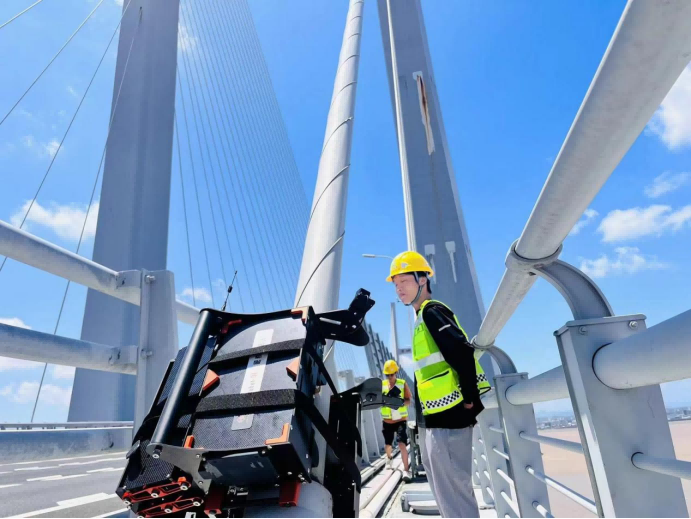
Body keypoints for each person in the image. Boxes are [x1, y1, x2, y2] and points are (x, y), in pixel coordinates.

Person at [387, 250, 491, 518]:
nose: (399, 289)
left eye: (405, 281)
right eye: (396, 284)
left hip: (450, 416)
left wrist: (470, 398)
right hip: (434, 417)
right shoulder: (422, 318)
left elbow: (462, 353)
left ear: (422, 279)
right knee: (444, 489)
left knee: (454, 489)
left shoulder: (433, 312)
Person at [380, 359, 413, 482]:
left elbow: (409, 401)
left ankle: (406, 470)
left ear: (396, 373)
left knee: (401, 444)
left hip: (400, 420)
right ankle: (389, 459)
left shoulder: (402, 384)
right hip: (387, 421)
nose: (389, 377)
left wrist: (399, 402)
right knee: (388, 445)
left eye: (391, 374)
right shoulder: (382, 385)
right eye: (387, 375)